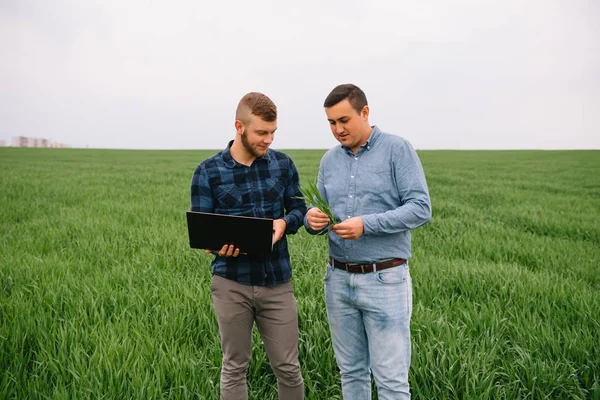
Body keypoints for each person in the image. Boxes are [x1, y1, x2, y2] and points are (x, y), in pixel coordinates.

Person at [304, 84, 431, 399]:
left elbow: (420, 208)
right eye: (332, 123)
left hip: (384, 279)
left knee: (390, 381)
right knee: (352, 374)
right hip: (337, 279)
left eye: (344, 120)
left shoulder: (397, 150)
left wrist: (367, 225)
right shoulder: (329, 160)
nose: (338, 130)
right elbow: (322, 211)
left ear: (365, 112)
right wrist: (312, 220)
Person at [190, 92, 306, 400]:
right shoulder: (208, 171)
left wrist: (286, 223)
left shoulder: (282, 165)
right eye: (261, 132)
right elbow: (202, 227)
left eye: (272, 132)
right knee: (234, 366)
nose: (268, 139)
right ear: (239, 126)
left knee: (288, 367)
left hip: (276, 281)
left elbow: (299, 209)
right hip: (231, 282)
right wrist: (216, 246)